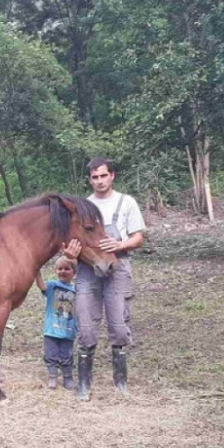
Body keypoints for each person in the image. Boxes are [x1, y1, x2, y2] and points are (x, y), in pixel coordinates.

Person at [63, 157, 146, 400]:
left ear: (112, 176)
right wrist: (70, 254)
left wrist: (120, 244)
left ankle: (120, 382)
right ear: (89, 180)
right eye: (94, 177)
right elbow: (70, 243)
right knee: (86, 325)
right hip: (88, 270)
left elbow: (139, 237)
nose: (99, 181)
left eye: (103, 176)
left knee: (119, 324)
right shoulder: (82, 207)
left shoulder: (126, 202)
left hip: (118, 267)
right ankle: (84, 384)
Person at [35, 257, 78, 390]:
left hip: (68, 330)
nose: (63, 271)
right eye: (60, 269)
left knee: (67, 355)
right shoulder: (52, 285)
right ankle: (52, 376)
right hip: (51, 330)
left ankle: (67, 377)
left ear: (74, 272)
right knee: (50, 354)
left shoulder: (77, 290)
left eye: (67, 269)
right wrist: (36, 269)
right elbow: (41, 285)